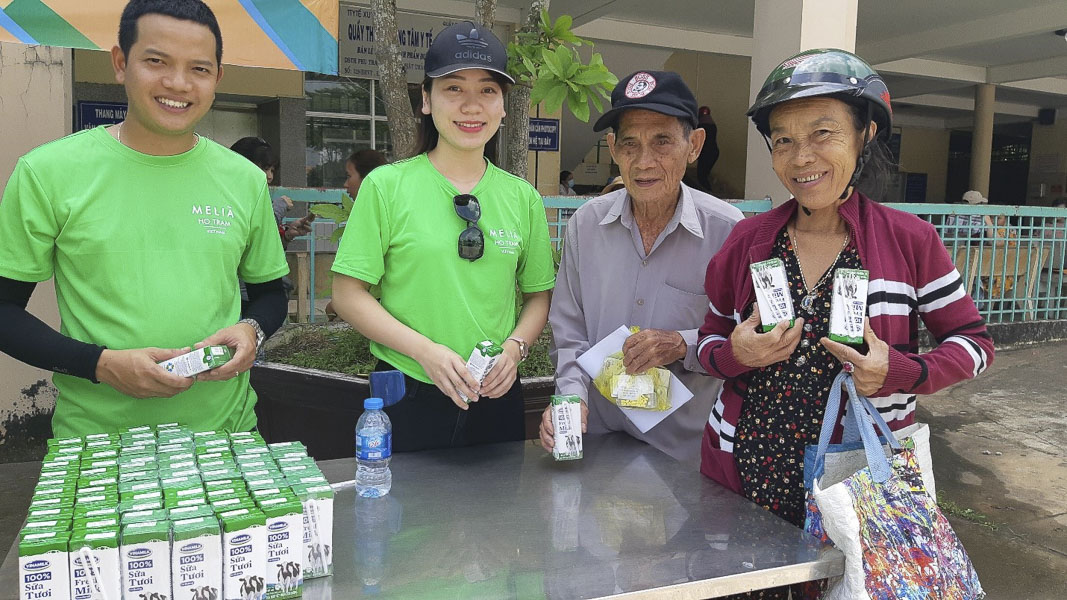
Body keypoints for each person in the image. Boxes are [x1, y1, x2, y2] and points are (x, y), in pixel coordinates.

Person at [694, 49, 994, 599]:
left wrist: (899, 370)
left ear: (866, 134)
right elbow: (708, 340)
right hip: (745, 468)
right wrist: (736, 353)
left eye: (823, 133)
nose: (801, 156)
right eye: (783, 139)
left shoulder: (909, 240)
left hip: (855, 479)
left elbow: (974, 345)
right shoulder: (747, 239)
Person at [0, 0, 290, 437]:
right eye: (156, 61)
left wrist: (252, 329)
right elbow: (4, 310)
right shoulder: (47, 173)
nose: (177, 83)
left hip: (225, 435)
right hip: (96, 444)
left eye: (199, 68)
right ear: (121, 63)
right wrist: (99, 365)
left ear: (217, 78)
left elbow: (271, 294)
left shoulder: (245, 179)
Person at [330, 21, 555, 452]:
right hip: (408, 391)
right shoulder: (387, 187)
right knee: (409, 519)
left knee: (502, 515)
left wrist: (515, 349)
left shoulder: (522, 197)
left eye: (488, 90)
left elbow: (538, 295)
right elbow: (347, 293)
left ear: (504, 106)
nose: (472, 106)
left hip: (496, 391)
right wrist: (427, 353)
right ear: (426, 101)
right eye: (454, 89)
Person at [539, 71, 743, 465]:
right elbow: (569, 332)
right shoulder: (586, 226)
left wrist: (682, 344)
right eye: (630, 143)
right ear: (613, 148)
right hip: (596, 443)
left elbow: (746, 342)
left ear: (694, 145)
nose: (644, 161)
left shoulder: (729, 232)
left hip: (687, 456)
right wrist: (569, 401)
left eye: (662, 141)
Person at [229, 136, 314, 248]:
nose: (269, 177)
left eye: (272, 170)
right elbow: (259, 236)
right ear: (243, 167)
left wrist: (287, 235)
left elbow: (263, 251)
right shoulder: (229, 200)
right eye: (264, 168)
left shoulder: (254, 199)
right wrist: (277, 210)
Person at [695, 106, 719, 192]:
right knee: (705, 175)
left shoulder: (701, 125)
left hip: (705, 153)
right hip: (713, 153)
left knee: (701, 176)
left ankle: (708, 193)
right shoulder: (712, 124)